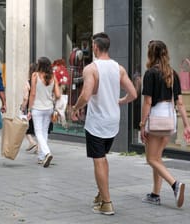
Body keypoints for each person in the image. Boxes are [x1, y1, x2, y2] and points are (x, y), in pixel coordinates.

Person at [71, 32, 137, 215]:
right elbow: (133, 94)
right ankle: (101, 194)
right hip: (113, 121)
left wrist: (75, 107)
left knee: (99, 160)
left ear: (95, 47)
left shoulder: (91, 69)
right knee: (103, 159)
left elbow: (85, 95)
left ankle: (107, 203)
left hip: (97, 122)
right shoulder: (119, 68)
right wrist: (120, 101)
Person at [140, 40, 190, 208]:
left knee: (151, 158)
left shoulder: (150, 74)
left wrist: (142, 124)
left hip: (156, 119)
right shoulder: (173, 74)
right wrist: (187, 124)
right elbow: (180, 103)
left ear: (151, 54)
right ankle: (155, 194)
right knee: (157, 158)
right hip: (169, 120)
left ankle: (175, 184)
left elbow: (147, 102)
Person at [27, 57, 61, 167]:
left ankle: (47, 153)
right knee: (44, 132)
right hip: (49, 108)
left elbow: (32, 93)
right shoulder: (53, 77)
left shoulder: (35, 75)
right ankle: (41, 157)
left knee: (38, 133)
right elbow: (58, 95)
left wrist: (29, 108)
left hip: (37, 108)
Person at [20, 63, 38, 152]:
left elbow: (25, 98)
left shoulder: (29, 82)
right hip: (40, 107)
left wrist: (23, 107)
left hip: (31, 108)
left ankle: (31, 142)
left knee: (25, 126)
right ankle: (38, 146)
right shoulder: (42, 82)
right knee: (39, 129)